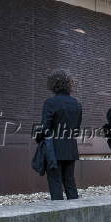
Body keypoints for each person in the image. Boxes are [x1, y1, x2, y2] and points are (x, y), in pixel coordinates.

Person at [35, 69, 82, 200]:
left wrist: (38, 138)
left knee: (55, 182)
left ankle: (58, 216)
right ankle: (76, 212)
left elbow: (45, 128)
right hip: (71, 148)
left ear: (53, 85)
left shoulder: (50, 103)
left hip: (53, 150)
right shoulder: (77, 104)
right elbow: (76, 129)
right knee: (70, 182)